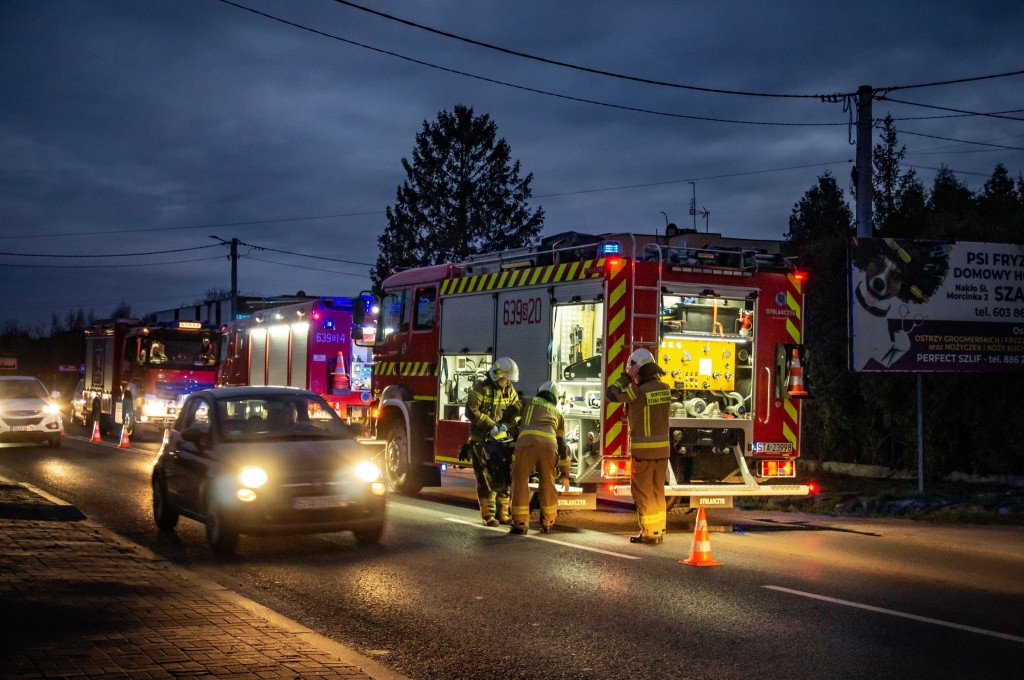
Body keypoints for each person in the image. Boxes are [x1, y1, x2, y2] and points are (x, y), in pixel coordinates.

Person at [605, 348, 671, 545]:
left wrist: (626, 377)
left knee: (643, 493)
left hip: (643, 453)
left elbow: (611, 394)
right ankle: (658, 529)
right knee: (658, 491)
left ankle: (649, 533)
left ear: (638, 370)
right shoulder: (665, 388)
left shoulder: (637, 392)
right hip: (662, 453)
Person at [463, 357, 522, 526]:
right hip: (480, 440)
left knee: (503, 477)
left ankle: (503, 514)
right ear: (497, 375)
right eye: (506, 379)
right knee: (485, 479)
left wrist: (506, 425)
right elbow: (470, 411)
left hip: (500, 441)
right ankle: (488, 516)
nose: (508, 382)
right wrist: (490, 425)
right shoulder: (480, 389)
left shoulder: (509, 390)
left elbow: (515, 408)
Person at [509, 381, 570, 535]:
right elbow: (562, 445)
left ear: (539, 391)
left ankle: (520, 524)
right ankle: (548, 522)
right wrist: (565, 474)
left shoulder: (527, 401)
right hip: (549, 447)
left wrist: (511, 431)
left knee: (520, 480)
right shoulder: (558, 414)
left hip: (526, 444)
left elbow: (509, 413)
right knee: (548, 483)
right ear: (555, 398)